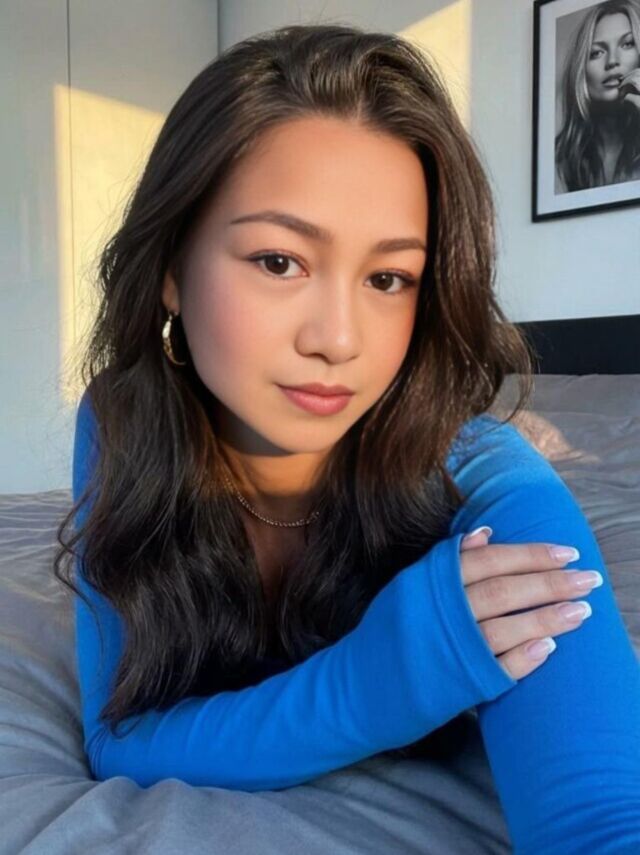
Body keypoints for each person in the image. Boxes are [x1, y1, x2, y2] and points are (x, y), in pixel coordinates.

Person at [54, 23, 640, 852]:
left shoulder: (492, 491)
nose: (338, 339)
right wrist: (377, 681)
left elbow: (604, 822)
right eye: (279, 261)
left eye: (389, 278)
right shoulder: (126, 419)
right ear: (172, 270)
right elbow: (120, 735)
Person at [555, 0, 640, 193]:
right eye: (596, 53)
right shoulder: (558, 161)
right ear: (581, 70)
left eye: (627, 44)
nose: (612, 61)